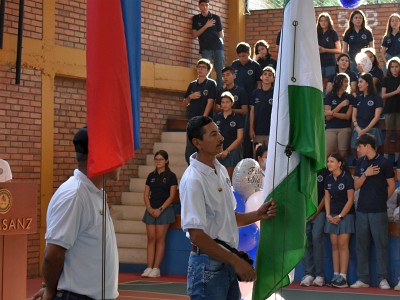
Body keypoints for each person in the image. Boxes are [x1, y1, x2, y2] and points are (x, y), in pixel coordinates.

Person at [179, 115, 276, 299]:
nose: (221, 138)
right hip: (207, 266)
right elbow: (197, 235)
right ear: (197, 142)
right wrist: (236, 262)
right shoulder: (194, 180)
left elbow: (229, 217)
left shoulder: (221, 170)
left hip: (227, 262)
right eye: (213, 134)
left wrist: (258, 214)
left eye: (219, 132)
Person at [32, 127, 119, 300]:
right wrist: (51, 291)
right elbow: (53, 254)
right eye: (115, 153)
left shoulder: (94, 192)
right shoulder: (75, 196)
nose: (121, 161)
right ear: (100, 156)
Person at [351, 134, 396, 290]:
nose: (357, 150)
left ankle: (383, 278)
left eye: (359, 146)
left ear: (367, 146)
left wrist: (382, 199)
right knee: (361, 245)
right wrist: (366, 174)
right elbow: (355, 185)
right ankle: (363, 278)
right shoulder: (360, 163)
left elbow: (391, 185)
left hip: (378, 210)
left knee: (381, 245)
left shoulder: (384, 163)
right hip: (362, 210)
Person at [141, 150, 178, 278]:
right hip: (151, 210)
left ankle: (156, 268)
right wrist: (150, 208)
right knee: (151, 239)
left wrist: (160, 209)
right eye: (156, 159)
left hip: (164, 210)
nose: (158, 161)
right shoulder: (151, 176)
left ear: (166, 161)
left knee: (159, 239)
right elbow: (146, 194)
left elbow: (172, 196)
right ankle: (149, 267)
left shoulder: (171, 176)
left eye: (161, 159)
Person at [324, 153, 355, 288]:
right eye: (328, 161)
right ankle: (336, 275)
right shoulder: (328, 178)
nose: (329, 163)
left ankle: (343, 277)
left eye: (332, 161)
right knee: (334, 245)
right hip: (332, 216)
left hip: (346, 216)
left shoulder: (347, 178)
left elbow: (350, 200)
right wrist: (328, 215)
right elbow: (327, 198)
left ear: (339, 164)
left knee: (343, 245)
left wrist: (341, 216)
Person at [231, 42, 262, 159]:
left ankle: (248, 158)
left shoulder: (255, 66)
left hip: (250, 104)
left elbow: (259, 84)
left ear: (249, 54)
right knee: (235, 132)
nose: (242, 58)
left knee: (247, 133)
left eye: (244, 56)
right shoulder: (234, 65)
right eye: (240, 56)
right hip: (236, 103)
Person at [183, 58, 217, 164]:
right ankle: (191, 168)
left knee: (203, 147)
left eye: (203, 68)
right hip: (192, 121)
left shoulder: (211, 84)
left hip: (204, 122)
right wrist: (190, 97)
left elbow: (210, 102)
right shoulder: (192, 85)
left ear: (208, 70)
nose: (200, 69)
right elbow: (184, 102)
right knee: (190, 149)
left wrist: (202, 119)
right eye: (199, 67)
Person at [300, 167, 329, 287]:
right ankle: (308, 274)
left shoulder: (324, 170)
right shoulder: (303, 169)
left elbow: (326, 195)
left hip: (319, 212)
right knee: (305, 242)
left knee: (317, 240)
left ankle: (319, 275)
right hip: (305, 212)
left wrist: (315, 212)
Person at [192, 0, 224, 88]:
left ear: (209, 6)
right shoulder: (196, 18)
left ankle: (220, 91)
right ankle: (208, 90)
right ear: (199, 6)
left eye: (206, 5)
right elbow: (194, 35)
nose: (205, 7)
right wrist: (206, 25)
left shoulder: (216, 18)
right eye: (202, 5)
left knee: (220, 70)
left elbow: (221, 34)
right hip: (206, 48)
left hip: (218, 47)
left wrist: (221, 43)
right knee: (206, 70)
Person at [351, 73, 383, 159]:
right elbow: (353, 116)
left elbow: (377, 117)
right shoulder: (357, 98)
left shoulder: (376, 98)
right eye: (358, 82)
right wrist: (358, 128)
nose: (358, 84)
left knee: (371, 158)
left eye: (361, 82)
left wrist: (366, 130)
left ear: (368, 83)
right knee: (360, 158)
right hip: (359, 129)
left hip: (372, 130)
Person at [214, 91, 244, 180]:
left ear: (232, 103)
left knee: (228, 180)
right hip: (218, 151)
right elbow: (213, 135)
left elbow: (240, 138)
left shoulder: (237, 118)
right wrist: (218, 151)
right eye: (223, 102)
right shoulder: (216, 117)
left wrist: (227, 151)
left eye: (227, 102)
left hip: (232, 151)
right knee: (218, 179)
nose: (225, 104)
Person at [324, 73, 354, 159]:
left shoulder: (349, 97)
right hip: (331, 128)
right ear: (338, 82)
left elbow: (347, 116)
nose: (347, 84)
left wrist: (332, 113)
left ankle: (343, 171)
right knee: (328, 154)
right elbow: (328, 117)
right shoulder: (330, 96)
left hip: (344, 127)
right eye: (345, 81)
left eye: (348, 82)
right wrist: (341, 105)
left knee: (343, 154)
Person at [249, 66, 275, 149]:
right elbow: (252, 111)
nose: (267, 76)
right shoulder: (255, 93)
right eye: (265, 74)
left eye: (270, 75)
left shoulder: (275, 93)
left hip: (271, 132)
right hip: (257, 131)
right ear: (261, 77)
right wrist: (251, 129)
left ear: (273, 79)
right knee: (257, 156)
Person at [381, 57, 400, 163]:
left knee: (398, 135)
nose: (394, 69)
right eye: (392, 67)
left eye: (397, 67)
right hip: (389, 109)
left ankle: (397, 159)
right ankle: (386, 157)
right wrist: (396, 92)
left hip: (399, 110)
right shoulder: (386, 79)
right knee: (388, 135)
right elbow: (383, 96)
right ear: (389, 68)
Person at [316, 12, 341, 88]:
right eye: (321, 21)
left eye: (325, 20)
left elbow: (338, 50)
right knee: (319, 81)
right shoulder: (316, 33)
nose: (323, 23)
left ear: (329, 22)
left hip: (330, 62)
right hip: (318, 62)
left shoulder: (333, 33)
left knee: (330, 81)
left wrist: (325, 50)